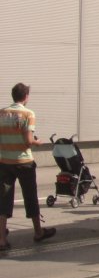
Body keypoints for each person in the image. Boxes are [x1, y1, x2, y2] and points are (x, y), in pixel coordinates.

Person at [0, 83, 56, 251]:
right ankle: (38, 231)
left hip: (5, 162)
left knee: (3, 199)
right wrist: (37, 142)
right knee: (30, 196)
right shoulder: (28, 114)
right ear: (25, 97)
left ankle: (1, 239)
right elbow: (28, 141)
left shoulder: (2, 113)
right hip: (24, 162)